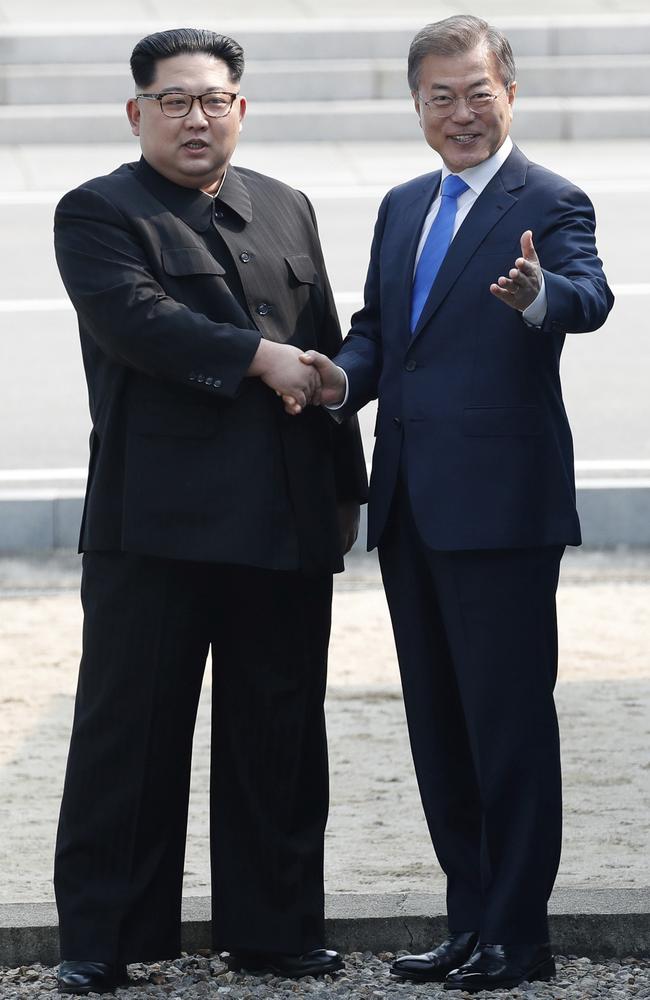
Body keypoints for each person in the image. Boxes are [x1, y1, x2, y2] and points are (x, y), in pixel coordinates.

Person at [284, 15, 614, 993]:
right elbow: (384, 333)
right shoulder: (399, 206)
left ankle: (519, 934)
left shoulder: (548, 198)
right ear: (417, 104)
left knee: (507, 728)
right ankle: (468, 920)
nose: (460, 113)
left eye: (476, 92)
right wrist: (338, 379)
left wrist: (533, 296)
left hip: (502, 514)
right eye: (440, 96)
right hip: (411, 510)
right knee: (437, 727)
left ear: (506, 91)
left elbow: (586, 295)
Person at [53, 27, 367, 996]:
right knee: (130, 734)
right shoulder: (98, 212)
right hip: (156, 525)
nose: (197, 117)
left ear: (241, 107)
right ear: (136, 111)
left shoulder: (284, 205)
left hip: (281, 516)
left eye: (214, 99)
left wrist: (334, 424)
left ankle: (274, 928)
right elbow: (141, 323)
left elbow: (318, 343)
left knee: (277, 729)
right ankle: (102, 936)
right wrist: (257, 359)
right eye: (175, 99)